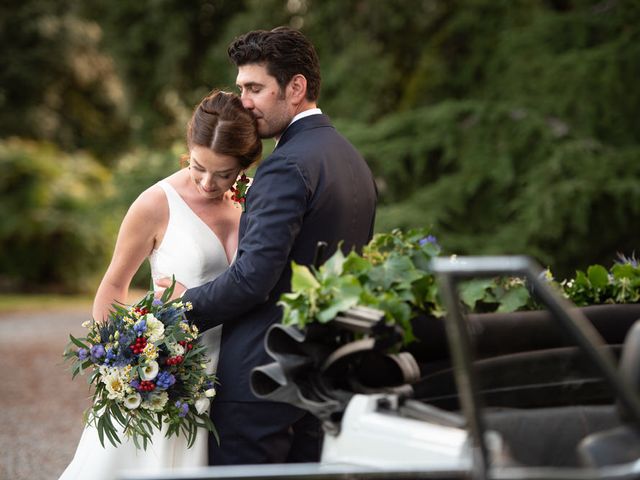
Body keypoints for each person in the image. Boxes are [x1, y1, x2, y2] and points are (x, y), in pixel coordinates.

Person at [173, 27, 378, 465]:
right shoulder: (352, 161)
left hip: (260, 379)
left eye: (255, 88)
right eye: (241, 87)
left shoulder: (287, 165)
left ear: (296, 87)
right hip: (322, 372)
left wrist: (173, 312)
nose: (244, 100)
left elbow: (252, 280)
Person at [59, 90, 262, 480]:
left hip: (231, 371)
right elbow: (113, 288)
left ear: (243, 165)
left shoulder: (251, 200)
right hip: (166, 374)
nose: (208, 182)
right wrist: (124, 368)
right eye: (199, 166)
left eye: (224, 173)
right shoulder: (155, 203)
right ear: (189, 145)